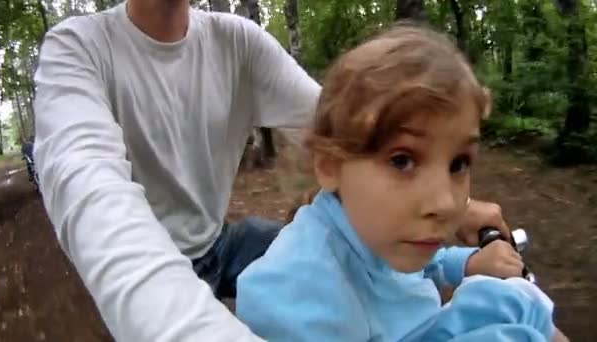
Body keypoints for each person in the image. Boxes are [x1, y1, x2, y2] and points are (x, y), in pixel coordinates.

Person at [33, 0, 515, 340]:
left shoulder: (236, 42)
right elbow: (86, 185)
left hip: (216, 242)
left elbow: (348, 136)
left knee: (349, 259)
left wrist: (459, 208)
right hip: (153, 254)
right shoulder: (79, 47)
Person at [235, 24, 567, 341]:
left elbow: (416, 267)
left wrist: (466, 262)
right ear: (330, 165)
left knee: (515, 299)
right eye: (402, 161)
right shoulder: (297, 295)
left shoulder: (378, 230)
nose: (446, 204)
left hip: (421, 329)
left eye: (459, 163)